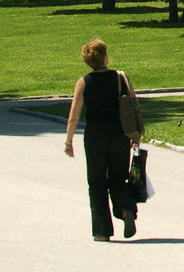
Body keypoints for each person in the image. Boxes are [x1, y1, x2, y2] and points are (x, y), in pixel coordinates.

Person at [63, 39, 141, 242]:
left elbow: (73, 116)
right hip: (119, 135)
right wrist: (135, 136)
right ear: (105, 58)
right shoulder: (120, 77)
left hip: (95, 137)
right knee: (118, 178)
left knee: (96, 183)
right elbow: (133, 105)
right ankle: (126, 209)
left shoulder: (83, 82)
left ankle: (102, 231)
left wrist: (69, 142)